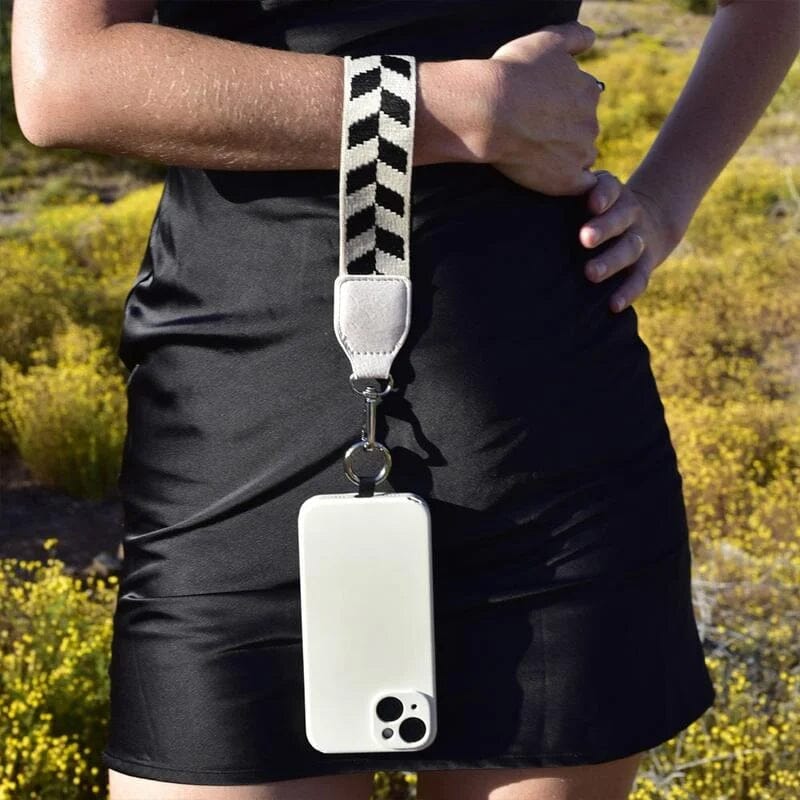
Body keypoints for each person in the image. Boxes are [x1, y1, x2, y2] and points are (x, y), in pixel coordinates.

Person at [11, 1, 799, 798]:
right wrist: (450, 109)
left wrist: (665, 203)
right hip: (239, 438)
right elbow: (66, 77)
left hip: (550, 437)